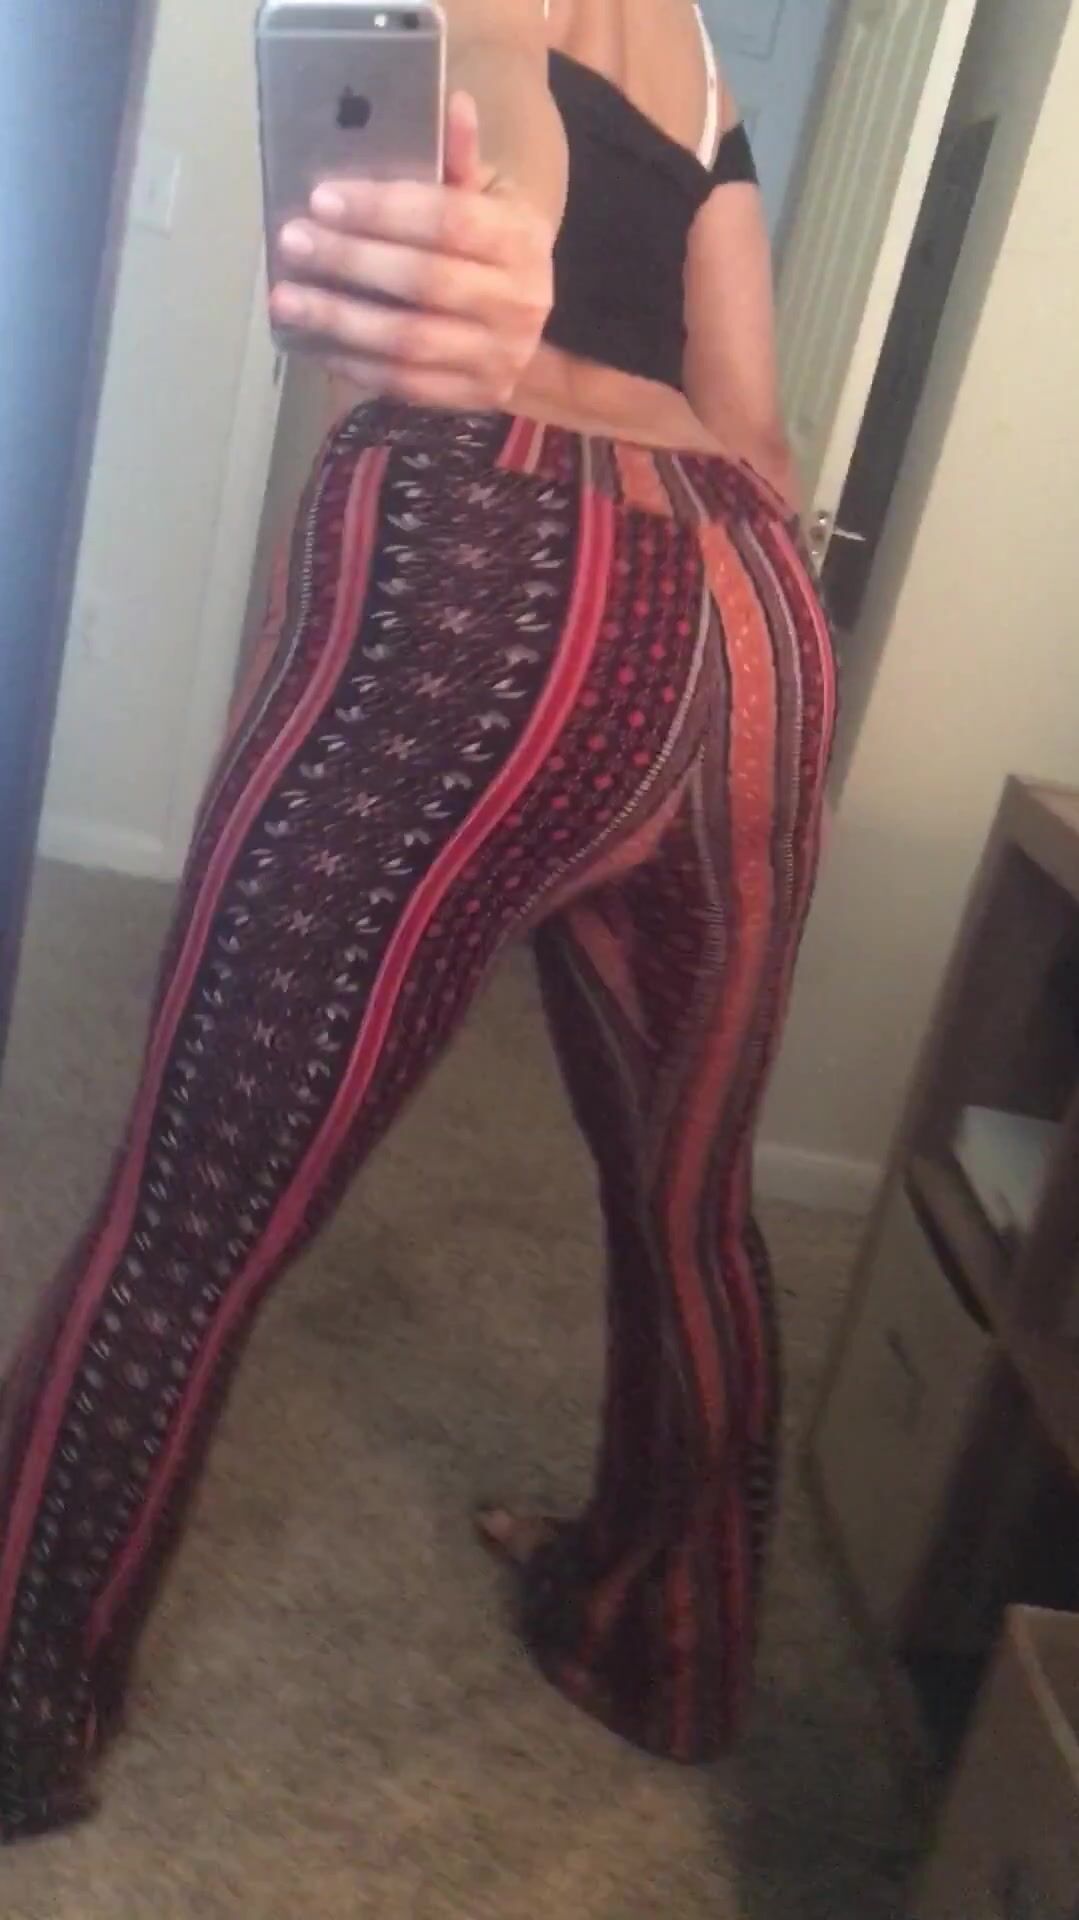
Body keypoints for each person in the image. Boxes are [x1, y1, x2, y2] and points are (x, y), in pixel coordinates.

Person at [0, 0, 833, 1841]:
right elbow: (763, 431)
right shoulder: (703, 54)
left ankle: (17, 1699)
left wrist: (465, 292)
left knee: (199, 1193)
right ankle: (669, 1652)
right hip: (755, 611)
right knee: (693, 1204)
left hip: (492, 556)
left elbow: (489, 170)